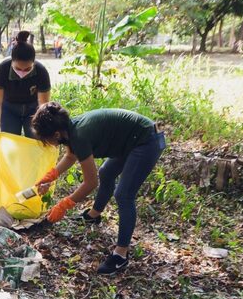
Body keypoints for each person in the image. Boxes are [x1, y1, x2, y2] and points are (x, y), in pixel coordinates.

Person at [31, 103, 166, 275]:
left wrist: (64, 205)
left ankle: (120, 256)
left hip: (146, 141)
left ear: (56, 134)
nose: (47, 143)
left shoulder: (79, 135)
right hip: (131, 139)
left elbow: (90, 183)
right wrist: (51, 176)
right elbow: (71, 155)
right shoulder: (70, 129)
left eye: (46, 139)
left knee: (124, 195)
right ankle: (93, 216)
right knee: (106, 172)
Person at [0, 31, 51, 139]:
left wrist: (44, 127)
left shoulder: (41, 71)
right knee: (10, 141)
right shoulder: (2, 69)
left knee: (35, 140)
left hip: (33, 109)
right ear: (12, 61)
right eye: (18, 68)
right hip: (9, 109)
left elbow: (43, 104)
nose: (22, 72)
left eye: (27, 69)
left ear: (33, 63)